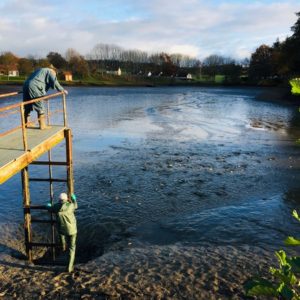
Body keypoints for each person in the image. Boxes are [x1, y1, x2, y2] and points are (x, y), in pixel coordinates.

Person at [23, 65, 68, 129]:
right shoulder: (50, 71)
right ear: (54, 71)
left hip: (26, 85)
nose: (55, 75)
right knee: (40, 106)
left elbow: (41, 82)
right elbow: (54, 82)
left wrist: (43, 96)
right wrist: (62, 90)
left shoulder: (40, 70)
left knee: (27, 105)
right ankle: (42, 125)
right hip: (35, 86)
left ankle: (26, 123)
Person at [46, 192, 77, 272]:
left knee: (62, 235)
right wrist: (74, 199)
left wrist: (48, 205)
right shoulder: (70, 206)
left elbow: (50, 209)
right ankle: (69, 267)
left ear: (59, 200)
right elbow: (75, 206)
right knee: (72, 248)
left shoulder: (56, 207)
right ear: (66, 199)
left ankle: (63, 246)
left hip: (62, 230)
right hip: (72, 230)